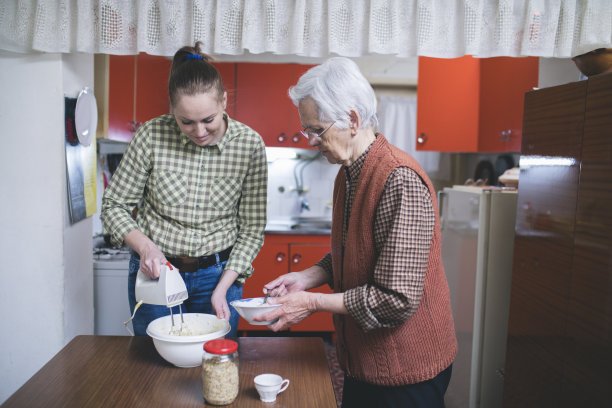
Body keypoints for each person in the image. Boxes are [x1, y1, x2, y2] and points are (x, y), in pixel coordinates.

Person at [257, 57, 457, 407]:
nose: (311, 140)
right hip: (363, 361)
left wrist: (313, 302)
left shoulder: (399, 179)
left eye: (316, 129)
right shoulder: (347, 174)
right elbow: (353, 256)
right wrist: (308, 277)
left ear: (351, 119)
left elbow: (395, 299)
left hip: (406, 368)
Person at [101, 42, 267, 338]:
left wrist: (223, 287)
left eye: (208, 120)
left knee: (215, 366)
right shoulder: (151, 136)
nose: (200, 132)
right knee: (153, 368)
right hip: (156, 274)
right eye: (186, 122)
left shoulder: (249, 145)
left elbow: (252, 230)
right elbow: (114, 205)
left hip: (219, 275)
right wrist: (147, 248)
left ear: (224, 102)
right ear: (172, 110)